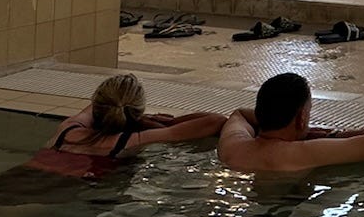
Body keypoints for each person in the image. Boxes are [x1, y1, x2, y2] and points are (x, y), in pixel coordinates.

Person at [26, 74, 225, 178]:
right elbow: (216, 121)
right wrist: (167, 122)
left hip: (24, 176)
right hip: (62, 191)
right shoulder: (131, 141)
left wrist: (137, 118)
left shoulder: (68, 129)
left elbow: (102, 105)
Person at [216, 72, 364, 171]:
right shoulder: (304, 153)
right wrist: (334, 135)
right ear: (301, 118)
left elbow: (239, 114)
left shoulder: (233, 146)